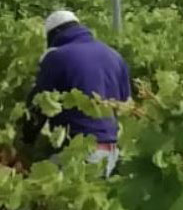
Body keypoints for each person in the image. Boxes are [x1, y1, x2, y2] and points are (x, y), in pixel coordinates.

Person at [22, 10, 131, 177]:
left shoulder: (56, 58)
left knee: (42, 191)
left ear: (54, 34)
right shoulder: (115, 56)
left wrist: (26, 142)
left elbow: (39, 105)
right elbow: (124, 103)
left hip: (78, 152)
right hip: (110, 152)